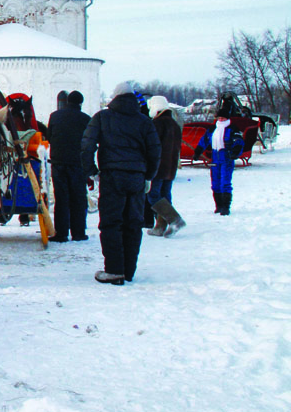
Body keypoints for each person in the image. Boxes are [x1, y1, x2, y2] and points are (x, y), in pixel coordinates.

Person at [81, 81, 161, 285]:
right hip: (136, 177)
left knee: (111, 223)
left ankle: (114, 270)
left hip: (112, 176)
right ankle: (128, 270)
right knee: (133, 223)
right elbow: (155, 150)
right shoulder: (144, 121)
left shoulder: (102, 117)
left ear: (114, 97)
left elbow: (87, 146)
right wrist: (148, 176)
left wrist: (92, 172)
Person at [47, 90, 91, 242]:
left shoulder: (55, 116)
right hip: (78, 164)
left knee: (61, 198)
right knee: (78, 198)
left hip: (58, 162)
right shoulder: (85, 119)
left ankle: (61, 233)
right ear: (80, 103)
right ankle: (78, 232)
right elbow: (88, 142)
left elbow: (49, 136)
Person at [193, 100, 243, 216]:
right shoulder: (212, 129)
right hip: (215, 157)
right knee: (215, 182)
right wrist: (198, 152)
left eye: (223, 118)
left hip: (226, 157)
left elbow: (239, 141)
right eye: (219, 118)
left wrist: (235, 152)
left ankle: (226, 206)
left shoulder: (232, 128)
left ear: (227, 118)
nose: (221, 120)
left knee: (225, 182)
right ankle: (218, 205)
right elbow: (204, 140)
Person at [146, 95, 185, 236]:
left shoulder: (157, 124)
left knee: (153, 195)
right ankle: (160, 226)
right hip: (171, 167)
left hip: (158, 167)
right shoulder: (174, 124)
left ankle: (174, 219)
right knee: (165, 195)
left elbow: (152, 147)